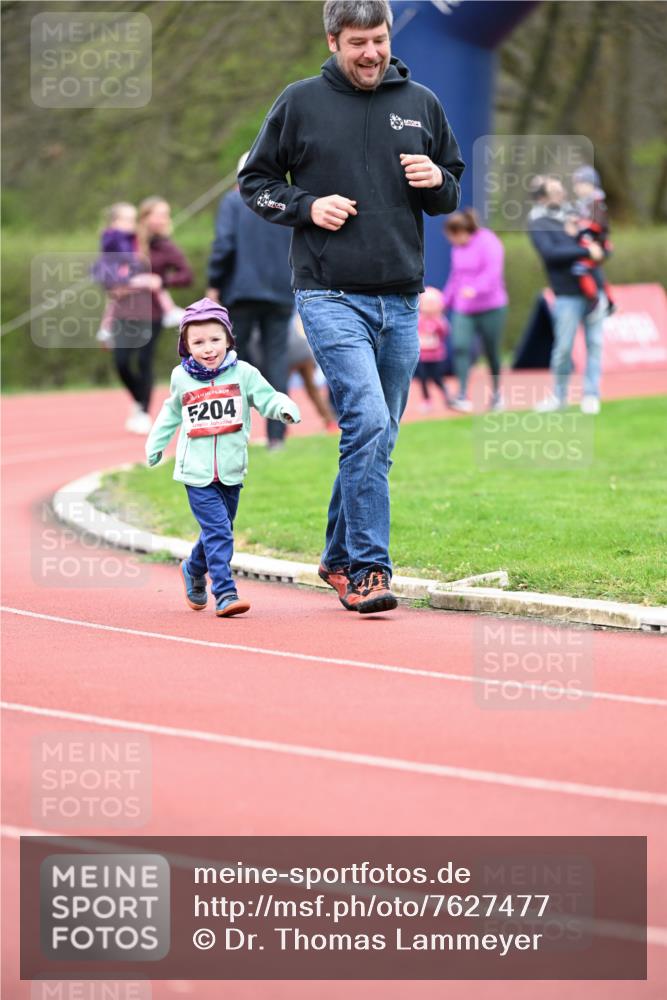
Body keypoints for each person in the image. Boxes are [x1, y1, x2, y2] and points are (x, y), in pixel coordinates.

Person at [238, 0, 464, 614]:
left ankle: (336, 558)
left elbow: (451, 189)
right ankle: (369, 569)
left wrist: (434, 182)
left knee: (379, 435)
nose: (372, 53)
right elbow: (255, 184)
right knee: (364, 419)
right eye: (358, 41)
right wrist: (307, 207)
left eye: (380, 39)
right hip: (330, 292)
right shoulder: (299, 101)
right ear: (335, 40)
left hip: (402, 297)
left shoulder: (421, 103)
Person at [145, 298, 300, 617]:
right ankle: (225, 592)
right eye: (198, 342)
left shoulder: (243, 373)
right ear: (186, 346)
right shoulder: (181, 378)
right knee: (219, 532)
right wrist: (156, 445)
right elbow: (171, 412)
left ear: (228, 339)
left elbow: (266, 397)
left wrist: (283, 409)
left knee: (219, 530)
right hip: (196, 474)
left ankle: (193, 568)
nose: (208, 348)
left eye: (215, 339)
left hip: (232, 471)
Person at [207, 153, 294, 450]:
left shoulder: (233, 202)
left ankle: (231, 434)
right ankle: (277, 437)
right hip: (282, 291)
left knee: (230, 361)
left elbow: (224, 245)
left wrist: (214, 284)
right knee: (277, 360)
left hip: (241, 292)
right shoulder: (286, 203)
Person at [110, 197, 193, 434]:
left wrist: (162, 280)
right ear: (145, 217)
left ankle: (144, 411)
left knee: (144, 360)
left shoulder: (166, 246)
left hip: (152, 312)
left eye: (166, 215)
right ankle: (138, 399)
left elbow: (186, 275)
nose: (163, 219)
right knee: (121, 361)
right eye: (159, 214)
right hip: (124, 310)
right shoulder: (128, 241)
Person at [527, 176, 606, 414]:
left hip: (593, 289)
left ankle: (591, 395)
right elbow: (551, 254)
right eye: (554, 190)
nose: (561, 193)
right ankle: (559, 397)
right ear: (542, 197)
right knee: (563, 348)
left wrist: (594, 247)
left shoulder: (576, 214)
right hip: (566, 294)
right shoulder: (539, 222)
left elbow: (601, 245)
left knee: (595, 344)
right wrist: (584, 250)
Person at [93, 202, 186, 350]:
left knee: (115, 300)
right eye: (129, 220)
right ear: (116, 221)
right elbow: (122, 257)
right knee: (150, 282)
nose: (133, 224)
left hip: (121, 274)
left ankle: (105, 329)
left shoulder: (121, 237)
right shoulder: (116, 237)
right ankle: (169, 310)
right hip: (120, 275)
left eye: (133, 220)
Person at [442, 209, 507, 412]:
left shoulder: (488, 241)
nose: (451, 241)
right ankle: (462, 394)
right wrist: (445, 302)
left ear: (460, 231)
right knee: (460, 347)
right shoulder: (457, 249)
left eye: (451, 236)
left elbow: (493, 272)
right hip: (464, 308)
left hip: (491, 306)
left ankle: (496, 394)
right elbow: (455, 277)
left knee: (491, 351)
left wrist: (475, 288)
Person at [568, 164, 615, 319]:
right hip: (596, 244)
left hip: (598, 244)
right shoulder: (587, 203)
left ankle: (593, 299)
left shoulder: (595, 202)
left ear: (590, 184)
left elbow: (596, 225)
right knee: (595, 271)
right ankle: (609, 301)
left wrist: (580, 228)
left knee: (579, 268)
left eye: (580, 184)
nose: (577, 188)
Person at [288, 313, 337, 431]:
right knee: (313, 389)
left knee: (281, 391)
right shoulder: (286, 319)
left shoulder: (263, 326)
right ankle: (330, 422)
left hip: (287, 357)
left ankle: (280, 429)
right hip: (304, 356)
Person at [415, 286, 452, 411]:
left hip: (436, 356)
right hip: (422, 357)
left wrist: (437, 323)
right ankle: (426, 400)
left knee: (437, 379)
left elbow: (444, 333)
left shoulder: (440, 320)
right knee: (423, 379)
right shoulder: (418, 320)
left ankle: (447, 397)